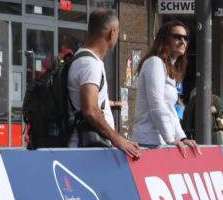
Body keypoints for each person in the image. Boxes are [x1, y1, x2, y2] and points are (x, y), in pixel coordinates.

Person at [66, 9, 140, 159]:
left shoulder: (82, 58)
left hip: (88, 148)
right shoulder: (89, 64)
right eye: (118, 33)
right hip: (86, 152)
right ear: (112, 33)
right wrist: (118, 140)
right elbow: (90, 110)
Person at [132, 21, 199, 155]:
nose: (182, 41)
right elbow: (156, 104)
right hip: (149, 141)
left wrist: (182, 137)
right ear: (164, 39)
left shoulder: (169, 67)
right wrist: (170, 138)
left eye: (186, 38)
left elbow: (170, 110)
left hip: (161, 141)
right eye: (177, 37)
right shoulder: (155, 63)